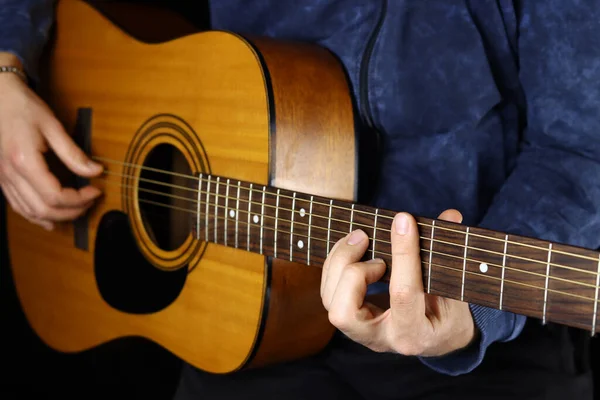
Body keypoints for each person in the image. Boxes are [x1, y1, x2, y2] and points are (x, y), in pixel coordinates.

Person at [1, 1, 599, 399]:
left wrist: (473, 317)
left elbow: (582, 148)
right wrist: (5, 64)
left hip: (482, 345)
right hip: (240, 317)